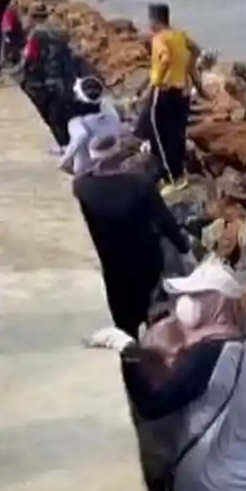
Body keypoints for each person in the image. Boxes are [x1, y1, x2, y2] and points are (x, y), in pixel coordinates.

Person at [95, 258, 246, 491]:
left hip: (213, 487)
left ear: (215, 306)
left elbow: (152, 403)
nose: (184, 303)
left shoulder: (206, 354)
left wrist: (130, 352)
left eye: (196, 296)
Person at [75, 139, 191, 343]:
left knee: (116, 308)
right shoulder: (139, 183)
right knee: (139, 308)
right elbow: (164, 221)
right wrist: (184, 248)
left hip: (106, 261)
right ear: (118, 153)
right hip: (142, 261)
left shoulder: (82, 187)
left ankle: (124, 344)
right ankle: (140, 341)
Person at [136, 2, 201, 191]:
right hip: (181, 91)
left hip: (163, 91)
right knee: (175, 134)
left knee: (155, 133)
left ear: (153, 20)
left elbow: (164, 58)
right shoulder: (180, 35)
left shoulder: (159, 38)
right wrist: (188, 68)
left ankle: (170, 177)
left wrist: (155, 83)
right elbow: (196, 50)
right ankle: (178, 173)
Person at [20, 2, 80, 147]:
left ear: (32, 17)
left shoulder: (35, 35)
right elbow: (71, 56)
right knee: (60, 120)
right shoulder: (61, 33)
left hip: (39, 84)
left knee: (42, 119)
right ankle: (65, 147)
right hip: (62, 83)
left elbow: (29, 58)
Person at [59, 76, 125, 177]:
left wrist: (64, 161)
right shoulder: (112, 115)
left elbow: (81, 137)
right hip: (111, 169)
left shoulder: (78, 122)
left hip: (86, 170)